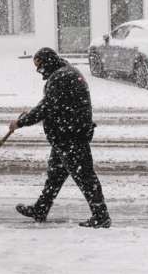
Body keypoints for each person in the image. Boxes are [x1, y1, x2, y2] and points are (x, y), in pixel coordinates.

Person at [9, 47, 111, 228]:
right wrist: (28, 115)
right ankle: (41, 209)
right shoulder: (66, 72)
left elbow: (46, 107)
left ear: (48, 62)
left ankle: (101, 216)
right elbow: (50, 102)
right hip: (68, 135)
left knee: (85, 177)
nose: (40, 71)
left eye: (40, 66)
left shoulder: (60, 77)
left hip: (70, 136)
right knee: (55, 175)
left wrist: (21, 122)